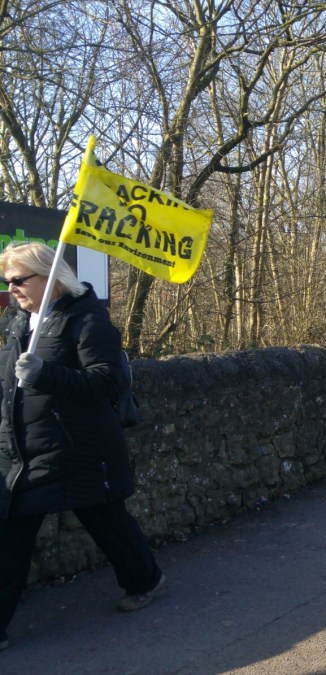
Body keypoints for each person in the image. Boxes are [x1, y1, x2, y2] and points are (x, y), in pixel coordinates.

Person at [0, 242, 165, 651]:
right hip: (27, 453)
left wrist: (45, 374)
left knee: (107, 522)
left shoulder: (88, 319)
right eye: (7, 282)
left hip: (80, 449)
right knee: (10, 537)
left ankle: (145, 580)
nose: (11, 289)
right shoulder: (19, 322)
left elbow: (107, 380)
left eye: (18, 280)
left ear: (49, 276)